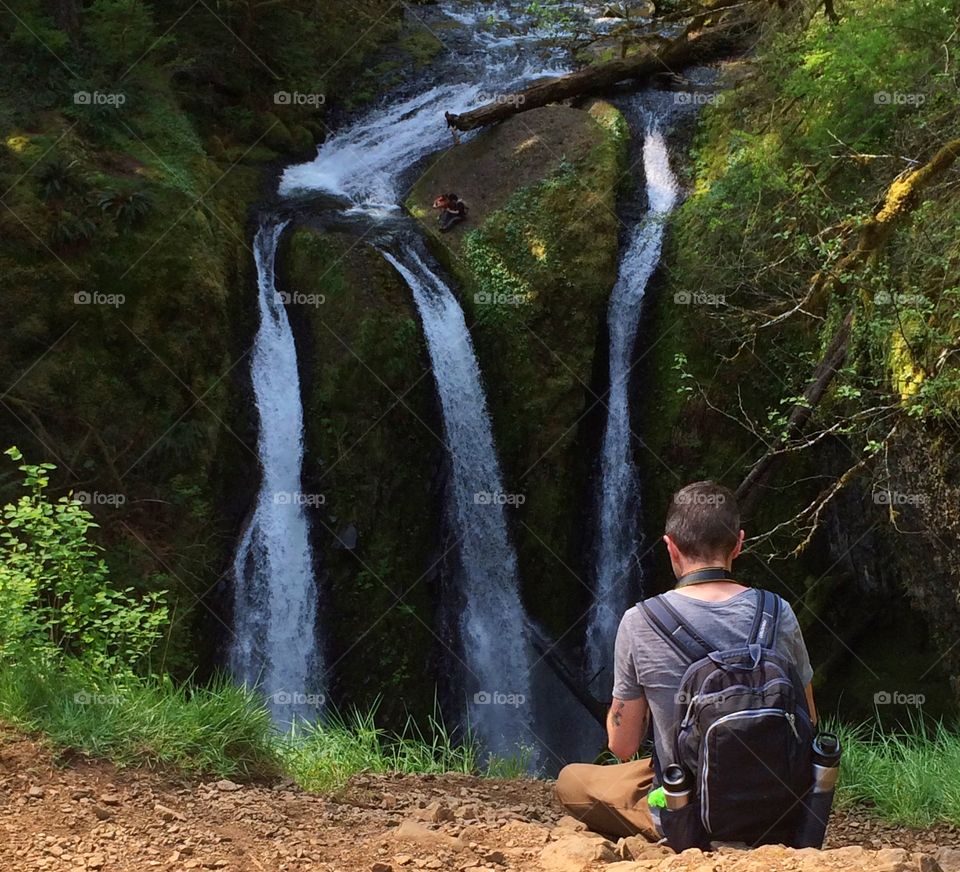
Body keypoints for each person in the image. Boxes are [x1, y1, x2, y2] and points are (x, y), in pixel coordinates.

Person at [556, 480, 817, 843]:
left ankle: (676, 824)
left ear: (670, 547)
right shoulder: (778, 612)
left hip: (691, 811)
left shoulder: (640, 620)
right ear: (739, 543)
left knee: (572, 780)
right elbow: (809, 720)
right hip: (780, 810)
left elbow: (622, 744)